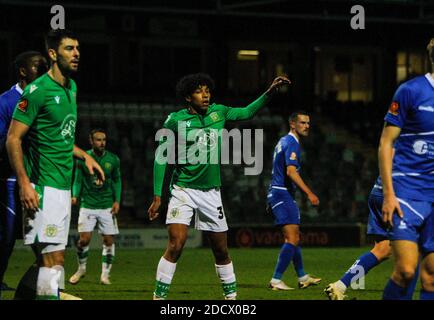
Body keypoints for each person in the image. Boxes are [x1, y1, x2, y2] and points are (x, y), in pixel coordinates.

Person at [148, 73, 290, 300]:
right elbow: (161, 157)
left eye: (207, 90)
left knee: (221, 250)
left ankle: (231, 300)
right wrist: (157, 195)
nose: (205, 95)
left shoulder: (219, 111)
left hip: (211, 193)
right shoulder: (175, 120)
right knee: (176, 243)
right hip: (182, 190)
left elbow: (247, 112)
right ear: (187, 97)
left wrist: (270, 92)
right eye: (198, 91)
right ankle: (159, 298)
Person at [6, 29, 104, 300]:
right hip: (43, 189)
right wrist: (25, 184)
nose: (77, 54)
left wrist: (84, 156)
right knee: (53, 264)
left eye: (77, 48)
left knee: (48, 264)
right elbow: (13, 139)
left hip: (62, 190)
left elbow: (59, 137)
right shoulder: (37, 91)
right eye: (69, 49)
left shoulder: (71, 88)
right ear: (52, 54)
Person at [0, 51, 47, 300]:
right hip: (5, 184)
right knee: (2, 250)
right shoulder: (3, 103)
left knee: (49, 251)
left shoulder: (45, 100)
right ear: (23, 71)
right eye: (36, 65)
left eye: (45, 64)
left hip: (40, 184)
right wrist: (18, 140)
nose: (42, 67)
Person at [376, 38, 434, 300]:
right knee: (406, 270)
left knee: (432, 276)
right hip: (407, 193)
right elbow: (386, 143)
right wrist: (388, 194)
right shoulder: (411, 91)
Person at [324, 149, 418, 300]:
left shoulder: (406, 137)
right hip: (396, 196)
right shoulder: (424, 140)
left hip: (379, 192)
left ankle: (339, 286)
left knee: (382, 249)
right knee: (417, 248)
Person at [266, 111, 321, 291]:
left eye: (308, 123)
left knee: (294, 237)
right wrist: (309, 193)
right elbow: (291, 171)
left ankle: (303, 276)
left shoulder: (283, 141)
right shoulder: (291, 143)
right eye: (303, 123)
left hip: (279, 193)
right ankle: (276, 280)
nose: (307, 126)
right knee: (292, 238)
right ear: (292, 124)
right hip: (282, 194)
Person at [69, 128, 121, 286]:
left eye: (104, 139)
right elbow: (77, 180)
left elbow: (117, 181)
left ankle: (105, 275)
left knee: (108, 240)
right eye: (98, 140)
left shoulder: (113, 159)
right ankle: (81, 269)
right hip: (88, 204)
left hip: (106, 206)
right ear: (91, 141)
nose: (102, 143)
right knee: (83, 240)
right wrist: (75, 195)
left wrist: (117, 200)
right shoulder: (83, 158)